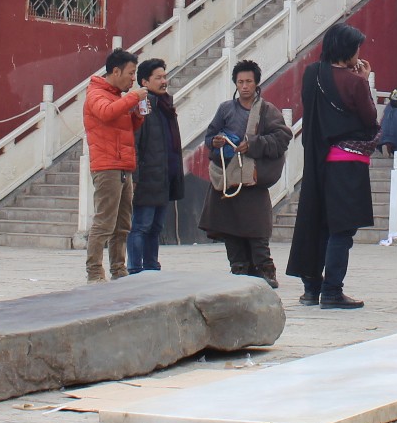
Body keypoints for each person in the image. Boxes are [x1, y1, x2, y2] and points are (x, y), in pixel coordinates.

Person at [284, 23, 380, 309]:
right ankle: (332, 291)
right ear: (347, 50)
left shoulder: (312, 73)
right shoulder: (353, 82)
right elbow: (368, 118)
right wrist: (363, 80)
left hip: (317, 158)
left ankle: (311, 288)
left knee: (316, 222)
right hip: (347, 163)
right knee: (342, 229)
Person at [199, 59, 292, 287]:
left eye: (249, 81)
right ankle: (239, 270)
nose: (244, 86)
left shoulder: (267, 111)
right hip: (228, 179)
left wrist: (252, 143)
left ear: (257, 82)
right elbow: (209, 138)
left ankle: (265, 271)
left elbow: (282, 138)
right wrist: (218, 141)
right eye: (240, 82)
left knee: (257, 230)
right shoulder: (226, 109)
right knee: (230, 230)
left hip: (252, 179)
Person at [82, 48, 151, 283]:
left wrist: (137, 115)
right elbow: (106, 113)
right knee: (105, 221)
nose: (133, 79)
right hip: (107, 166)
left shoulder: (118, 97)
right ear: (115, 70)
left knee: (123, 224)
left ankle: (119, 270)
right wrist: (133, 98)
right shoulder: (96, 94)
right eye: (131, 73)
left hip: (123, 165)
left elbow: (123, 127)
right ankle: (94, 271)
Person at [127, 58, 185, 273]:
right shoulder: (143, 106)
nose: (163, 81)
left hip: (165, 177)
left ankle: (151, 267)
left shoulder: (165, 106)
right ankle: (135, 269)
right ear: (144, 81)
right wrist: (135, 176)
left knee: (156, 228)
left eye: (164, 76)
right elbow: (135, 143)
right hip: (147, 177)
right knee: (140, 226)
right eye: (158, 78)